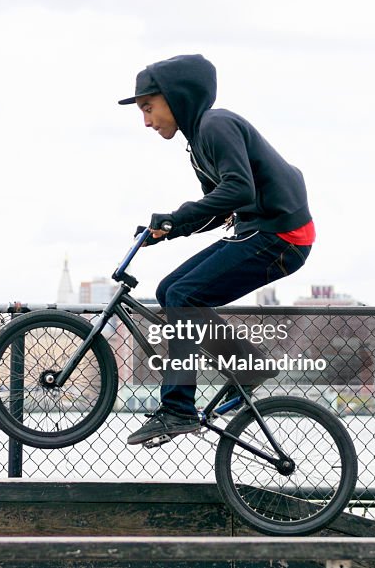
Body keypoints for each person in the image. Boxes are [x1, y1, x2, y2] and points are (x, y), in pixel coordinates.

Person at [118, 54, 315, 447]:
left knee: (183, 294)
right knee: (169, 291)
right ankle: (249, 365)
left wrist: (177, 216)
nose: (146, 121)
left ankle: (178, 408)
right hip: (260, 231)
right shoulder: (199, 142)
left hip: (281, 236)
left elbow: (240, 190)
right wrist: (168, 230)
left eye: (148, 107)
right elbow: (222, 205)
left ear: (176, 97)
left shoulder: (215, 125)